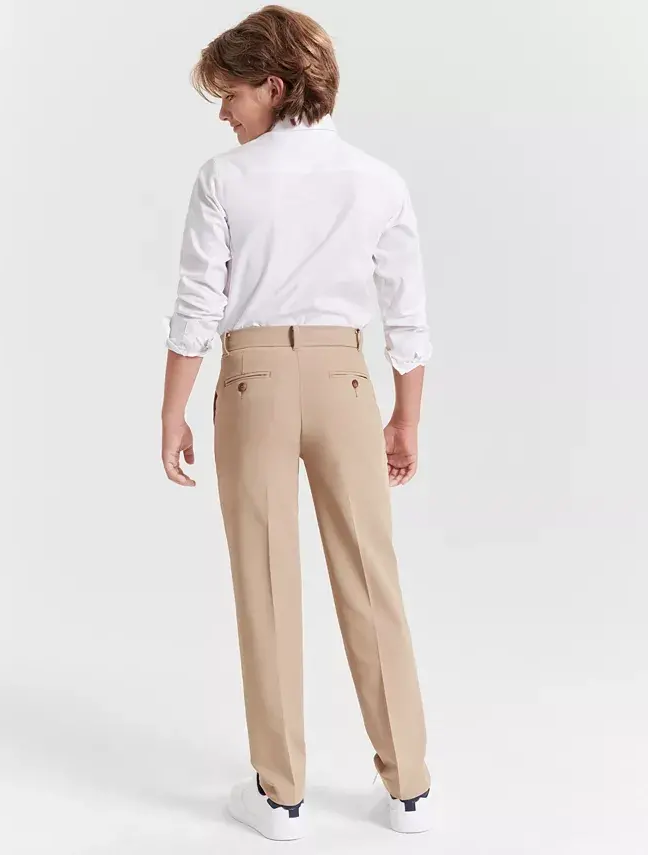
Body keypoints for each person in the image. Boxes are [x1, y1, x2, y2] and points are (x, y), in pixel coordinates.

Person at [161, 4, 433, 841]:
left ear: (274, 87)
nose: (224, 112)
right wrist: (405, 418)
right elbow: (407, 315)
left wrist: (172, 409)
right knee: (372, 577)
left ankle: (281, 796)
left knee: (266, 582)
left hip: (254, 382)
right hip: (347, 381)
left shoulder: (224, 179)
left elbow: (197, 306)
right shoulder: (378, 180)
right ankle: (410, 790)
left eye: (233, 92)